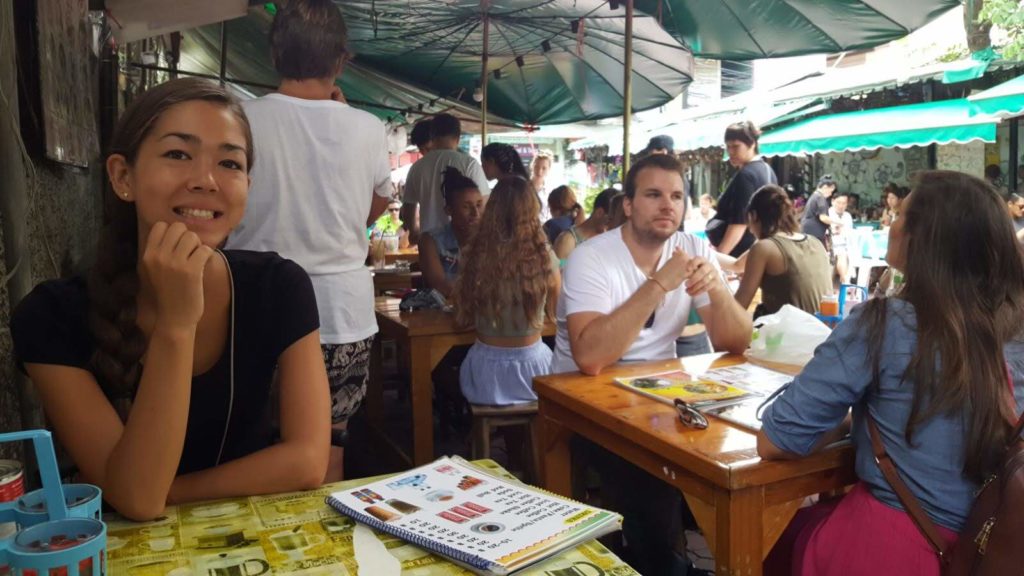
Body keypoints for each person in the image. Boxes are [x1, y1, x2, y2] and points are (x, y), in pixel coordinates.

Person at [9, 79, 330, 521]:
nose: (206, 180)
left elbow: (309, 460)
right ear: (124, 176)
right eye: (178, 154)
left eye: (229, 163)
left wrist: (169, 491)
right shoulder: (50, 316)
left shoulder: (280, 286)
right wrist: (177, 324)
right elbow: (139, 501)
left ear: (247, 186)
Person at [760, 170, 1024, 576]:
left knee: (778, 539)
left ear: (923, 239)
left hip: (888, 548)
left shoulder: (883, 323)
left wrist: (846, 420)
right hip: (989, 549)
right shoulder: (1013, 331)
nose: (891, 222)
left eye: (900, 213)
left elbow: (777, 439)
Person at [553, 154, 751, 576]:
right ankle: (666, 564)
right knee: (650, 477)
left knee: (744, 454)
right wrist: (661, 282)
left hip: (662, 396)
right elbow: (590, 358)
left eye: (677, 196)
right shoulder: (592, 257)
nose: (668, 206)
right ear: (628, 205)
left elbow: (737, 342)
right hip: (583, 402)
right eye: (654, 195)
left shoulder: (694, 248)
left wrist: (716, 288)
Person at [222, 0, 387, 482]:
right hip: (341, 315)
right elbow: (372, 209)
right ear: (340, 60)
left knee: (251, 442)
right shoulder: (369, 127)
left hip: (252, 304)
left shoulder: (241, 120)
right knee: (328, 444)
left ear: (274, 53)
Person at [452, 177, 560, 406]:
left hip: (484, 372)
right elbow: (556, 311)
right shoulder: (545, 256)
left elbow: (463, 312)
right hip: (534, 370)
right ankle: (524, 441)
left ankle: (494, 437)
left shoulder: (474, 254)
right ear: (533, 210)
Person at [727, 185, 832, 317]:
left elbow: (737, 308)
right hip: (824, 332)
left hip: (790, 334)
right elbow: (737, 265)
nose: (750, 230)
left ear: (753, 216)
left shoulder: (764, 248)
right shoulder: (816, 242)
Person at [401, 113, 490, 243]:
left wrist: (414, 231)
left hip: (429, 243)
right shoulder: (469, 164)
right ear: (458, 138)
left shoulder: (417, 167)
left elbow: (408, 206)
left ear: (432, 137)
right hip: (464, 242)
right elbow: (484, 204)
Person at [707, 121, 777, 257]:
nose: (730, 152)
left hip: (739, 254)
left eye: (736, 146)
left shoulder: (745, 176)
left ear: (752, 144)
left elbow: (739, 224)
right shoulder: (768, 170)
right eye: (728, 147)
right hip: (759, 250)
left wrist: (717, 259)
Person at [420, 167, 484, 298]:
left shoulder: (490, 240)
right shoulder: (430, 240)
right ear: (449, 210)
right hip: (441, 315)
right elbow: (440, 285)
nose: (475, 213)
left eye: (479, 205)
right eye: (466, 207)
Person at [552, 187, 621, 262]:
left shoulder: (607, 242)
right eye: (609, 220)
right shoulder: (567, 241)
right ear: (599, 213)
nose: (612, 227)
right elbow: (559, 271)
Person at [800, 174, 837, 245]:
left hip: (809, 231)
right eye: (830, 191)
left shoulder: (815, 196)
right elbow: (823, 218)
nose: (830, 194)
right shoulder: (820, 198)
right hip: (813, 233)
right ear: (825, 187)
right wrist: (838, 222)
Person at [829, 192, 855, 284]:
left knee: (845, 254)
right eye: (838, 202)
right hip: (829, 245)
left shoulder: (847, 216)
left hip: (844, 245)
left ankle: (845, 280)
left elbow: (850, 232)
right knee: (841, 255)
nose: (841, 206)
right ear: (832, 201)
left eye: (844, 203)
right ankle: (845, 281)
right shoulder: (827, 214)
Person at [530, 151, 553, 221]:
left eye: (544, 168)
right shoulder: (522, 187)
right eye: (536, 167)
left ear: (549, 169)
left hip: (543, 228)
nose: (539, 171)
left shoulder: (550, 190)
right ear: (532, 166)